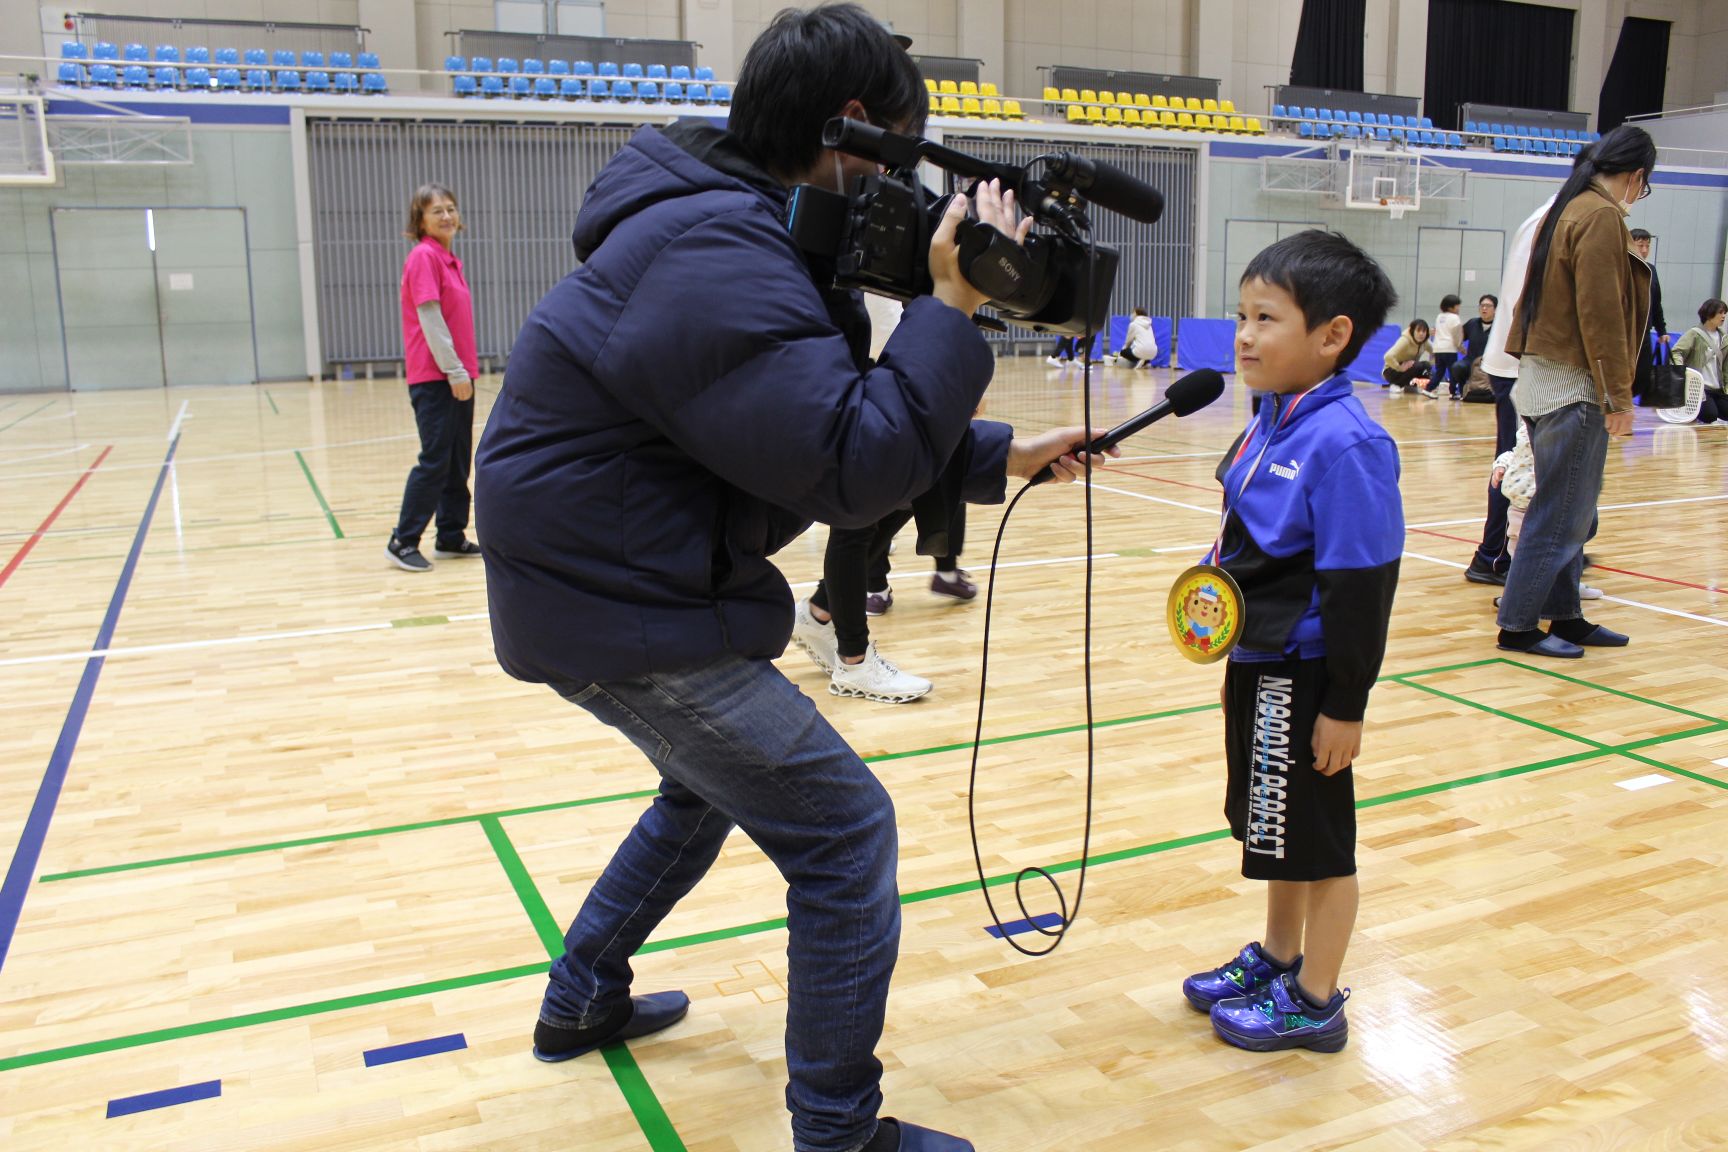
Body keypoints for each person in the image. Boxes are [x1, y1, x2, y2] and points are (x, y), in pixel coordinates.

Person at [472, 8, 1107, 1150]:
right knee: (844, 834)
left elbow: (802, 423)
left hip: (607, 577)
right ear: (855, 131)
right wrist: (949, 306)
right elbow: (847, 468)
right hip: (621, 596)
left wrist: (990, 453)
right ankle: (838, 1130)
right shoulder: (713, 249)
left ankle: (583, 995)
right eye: (906, 158)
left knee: (703, 790)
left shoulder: (729, 229)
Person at [1182, 230, 1402, 1054]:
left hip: (1307, 674)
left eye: (1265, 317)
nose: (1243, 334)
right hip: (1255, 658)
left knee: (1321, 841)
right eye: (1242, 314)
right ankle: (1279, 956)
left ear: (1332, 335)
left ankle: (1315, 1001)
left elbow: (1362, 589)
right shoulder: (1271, 417)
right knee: (1270, 825)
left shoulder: (1348, 443)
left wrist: (1345, 706)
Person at [1497, 124, 1656, 658]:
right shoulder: (1601, 216)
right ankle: (1517, 626)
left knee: (1565, 509)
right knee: (1562, 515)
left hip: (1543, 380)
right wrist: (1618, 397)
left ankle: (1566, 617)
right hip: (1575, 386)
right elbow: (1602, 314)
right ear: (1637, 176)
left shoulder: (1567, 207)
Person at [387, 182, 481, 573]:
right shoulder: (424, 257)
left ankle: (450, 534)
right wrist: (454, 370)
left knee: (458, 460)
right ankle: (403, 540)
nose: (446, 215)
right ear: (420, 220)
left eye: (450, 208)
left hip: (459, 375)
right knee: (435, 460)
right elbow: (430, 317)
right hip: (436, 377)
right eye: (436, 210)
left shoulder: (448, 260)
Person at [1464, 196, 1555, 587]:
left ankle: (1524, 554)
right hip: (1522, 366)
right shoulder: (1559, 219)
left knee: (1524, 463)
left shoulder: (1553, 214)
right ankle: (1494, 556)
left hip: (1520, 363)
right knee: (1515, 464)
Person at [1668, 298, 1728, 423]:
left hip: (1719, 388)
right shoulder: (1694, 334)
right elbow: (1676, 352)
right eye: (1720, 312)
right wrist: (1681, 371)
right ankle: (1691, 406)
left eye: (1725, 313)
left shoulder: (1724, 338)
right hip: (1700, 388)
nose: (1723, 316)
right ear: (1709, 313)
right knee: (1710, 415)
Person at [1630, 228, 1669, 401]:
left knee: (1643, 375)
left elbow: (1656, 302)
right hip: (1626, 333)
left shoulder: (1651, 270)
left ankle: (1628, 404)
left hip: (1645, 331)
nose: (1645, 250)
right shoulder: (1622, 267)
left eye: (1647, 246)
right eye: (1640, 245)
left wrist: (1662, 331)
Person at [1452, 293, 1496, 395]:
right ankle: (1463, 391)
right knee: (1457, 367)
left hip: (1490, 364)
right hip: (1471, 362)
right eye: (1482, 305)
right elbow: (1460, 335)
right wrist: (1459, 345)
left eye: (1488, 306)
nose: (1484, 308)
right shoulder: (1472, 323)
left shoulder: (1499, 326)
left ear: (1495, 309)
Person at [1427, 293, 1463, 398]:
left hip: (1438, 348)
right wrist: (1460, 347)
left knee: (1439, 372)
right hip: (1449, 349)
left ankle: (1428, 389)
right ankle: (1453, 392)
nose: (1459, 308)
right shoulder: (1455, 318)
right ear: (1451, 307)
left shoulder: (1439, 317)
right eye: (1457, 305)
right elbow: (1456, 335)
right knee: (1453, 373)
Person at [1380, 318, 1432, 391]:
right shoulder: (1405, 340)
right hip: (1391, 370)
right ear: (1412, 331)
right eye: (1418, 330)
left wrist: (1432, 362)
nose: (1421, 334)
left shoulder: (1425, 342)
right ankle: (1396, 384)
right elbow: (1388, 356)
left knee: (1426, 365)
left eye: (1424, 331)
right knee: (1416, 365)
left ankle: (1412, 386)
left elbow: (1437, 352)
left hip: (1410, 368)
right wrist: (1399, 367)